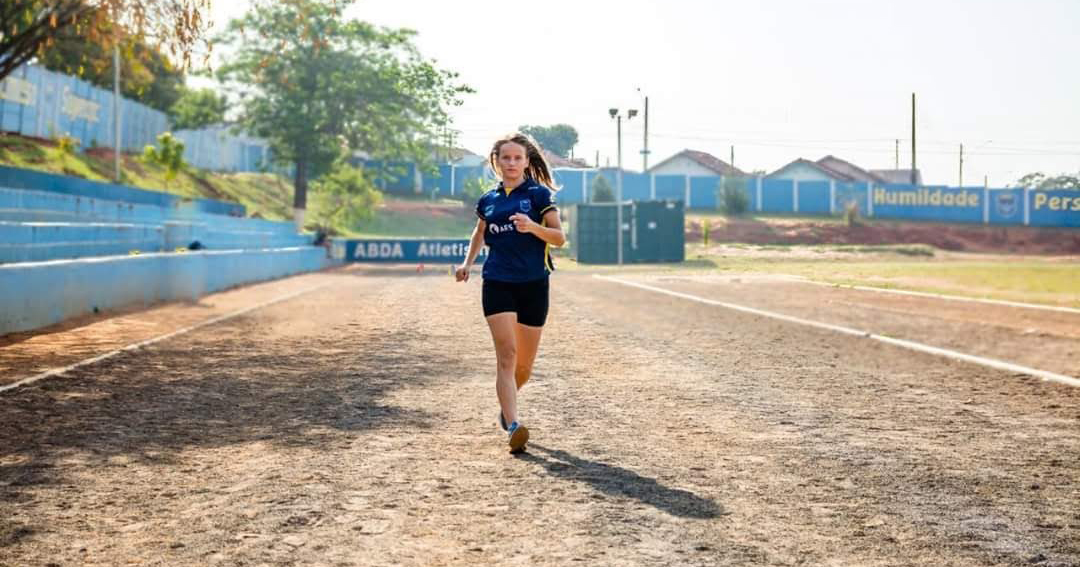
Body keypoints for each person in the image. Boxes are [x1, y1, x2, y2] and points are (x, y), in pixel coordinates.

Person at [456, 132, 565, 454]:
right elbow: (479, 233)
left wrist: (532, 227)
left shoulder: (538, 195)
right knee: (507, 356)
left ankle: (507, 407)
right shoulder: (488, 200)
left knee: (524, 368)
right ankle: (515, 426)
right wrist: (467, 264)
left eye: (518, 158)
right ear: (497, 162)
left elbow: (558, 238)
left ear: (526, 162)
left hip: (534, 284)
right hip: (497, 282)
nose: (512, 163)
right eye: (506, 158)